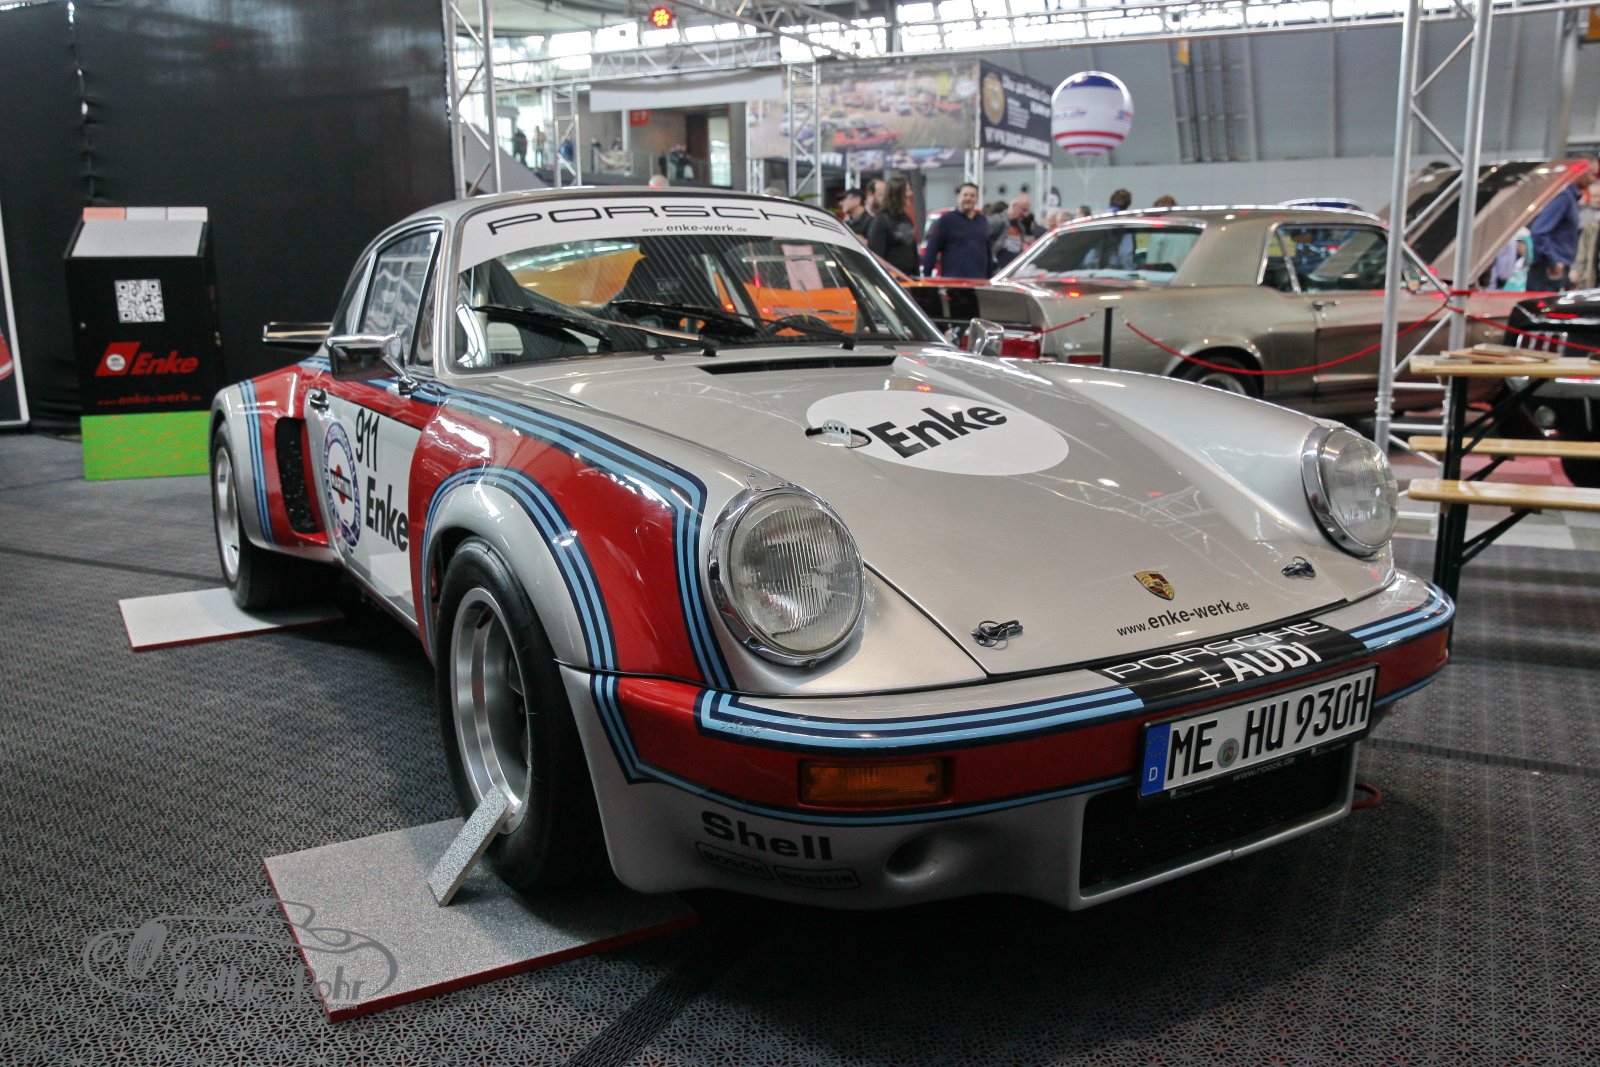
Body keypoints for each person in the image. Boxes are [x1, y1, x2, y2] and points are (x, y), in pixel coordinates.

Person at [1530, 160, 1598, 289]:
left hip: (1558, 268)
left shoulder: (1570, 198)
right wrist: (1553, 262)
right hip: (1550, 272)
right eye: (1591, 174)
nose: (1593, 180)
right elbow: (1539, 231)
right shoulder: (1563, 197)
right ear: (1579, 172)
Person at [921, 182, 991, 279]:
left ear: (977, 199)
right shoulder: (946, 221)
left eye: (972, 195)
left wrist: (989, 277)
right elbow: (932, 250)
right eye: (965, 195)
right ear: (958, 196)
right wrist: (926, 277)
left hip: (979, 281)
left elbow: (988, 251)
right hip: (953, 282)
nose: (968, 198)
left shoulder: (982, 221)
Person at [868, 175, 920, 277]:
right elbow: (877, 258)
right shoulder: (881, 221)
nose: (911, 193)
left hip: (909, 278)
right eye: (907, 190)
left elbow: (912, 250)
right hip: (892, 280)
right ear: (897, 194)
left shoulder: (906, 218)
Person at [990, 193, 1046, 271]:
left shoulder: (1020, 226)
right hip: (998, 271)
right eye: (1024, 210)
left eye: (1027, 210)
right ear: (1014, 206)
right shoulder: (997, 221)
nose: (1026, 214)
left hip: (1013, 271)